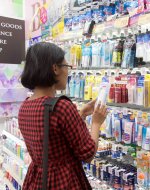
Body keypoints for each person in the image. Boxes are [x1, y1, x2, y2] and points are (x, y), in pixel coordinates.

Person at [18, 42, 107, 190]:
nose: (68, 72)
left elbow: (53, 134)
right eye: (66, 66)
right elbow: (88, 153)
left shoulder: (25, 106)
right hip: (64, 181)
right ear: (55, 68)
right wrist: (96, 122)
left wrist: (81, 114)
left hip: (36, 179)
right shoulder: (61, 106)